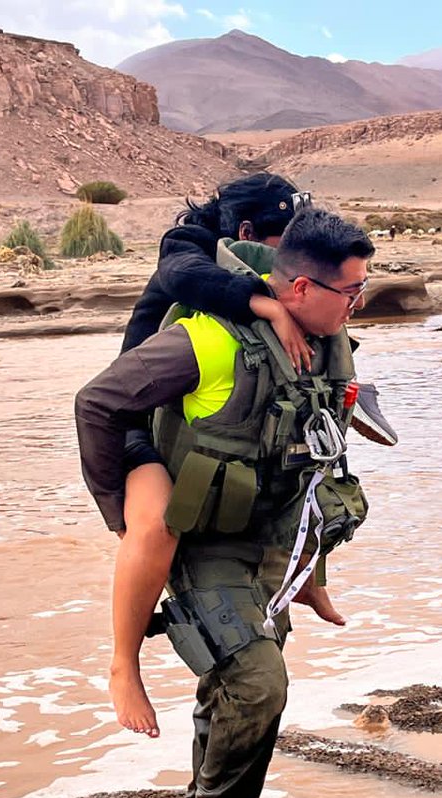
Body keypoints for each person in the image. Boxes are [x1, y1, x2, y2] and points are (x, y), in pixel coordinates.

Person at [76, 208, 375, 798]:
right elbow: (97, 402)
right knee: (258, 684)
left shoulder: (332, 342)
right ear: (301, 288)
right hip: (204, 538)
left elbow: (319, 458)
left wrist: (313, 571)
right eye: (351, 291)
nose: (359, 303)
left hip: (272, 544)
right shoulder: (207, 341)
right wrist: (122, 513)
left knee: (239, 692)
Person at [108, 174, 315, 741]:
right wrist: (266, 306)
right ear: (246, 232)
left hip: (203, 433)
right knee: (158, 525)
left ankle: (309, 582)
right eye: (285, 244)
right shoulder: (189, 248)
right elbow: (182, 275)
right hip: (137, 428)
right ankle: (124, 666)